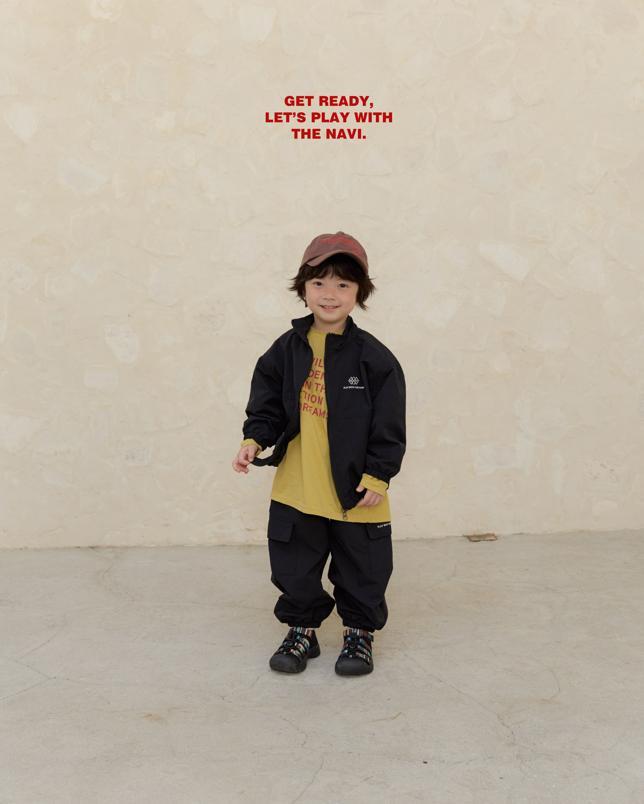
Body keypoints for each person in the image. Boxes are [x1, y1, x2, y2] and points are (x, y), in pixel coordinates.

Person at [232, 231, 406, 677]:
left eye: (343, 284)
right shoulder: (286, 350)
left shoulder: (375, 359)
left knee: (364, 568)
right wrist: (254, 439)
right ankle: (302, 630)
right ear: (303, 289)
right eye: (319, 283)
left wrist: (378, 473)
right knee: (293, 565)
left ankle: (358, 634)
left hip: (356, 488)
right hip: (298, 484)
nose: (330, 294)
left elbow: (389, 424)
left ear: (359, 292)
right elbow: (267, 404)